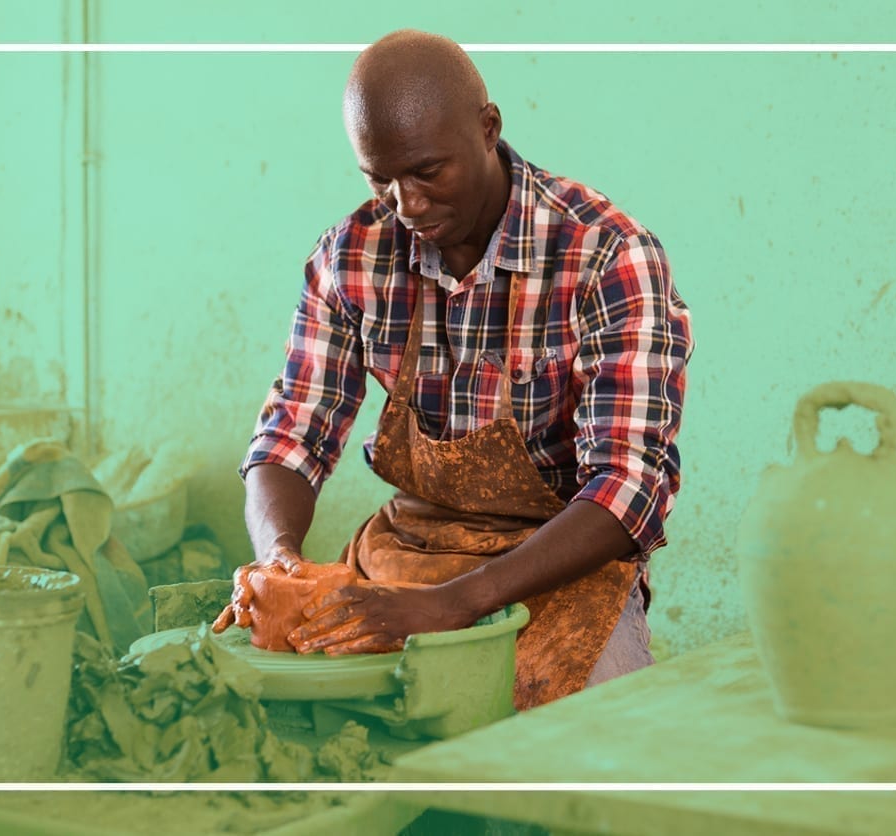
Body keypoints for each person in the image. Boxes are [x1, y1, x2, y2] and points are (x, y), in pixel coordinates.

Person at [215, 29, 693, 710]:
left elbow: (629, 490)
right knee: (297, 726)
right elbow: (291, 436)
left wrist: (454, 605)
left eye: (428, 171)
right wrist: (279, 556)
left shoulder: (606, 257)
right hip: (406, 554)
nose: (406, 206)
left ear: (488, 128)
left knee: (592, 748)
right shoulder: (351, 256)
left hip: (557, 571)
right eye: (381, 179)